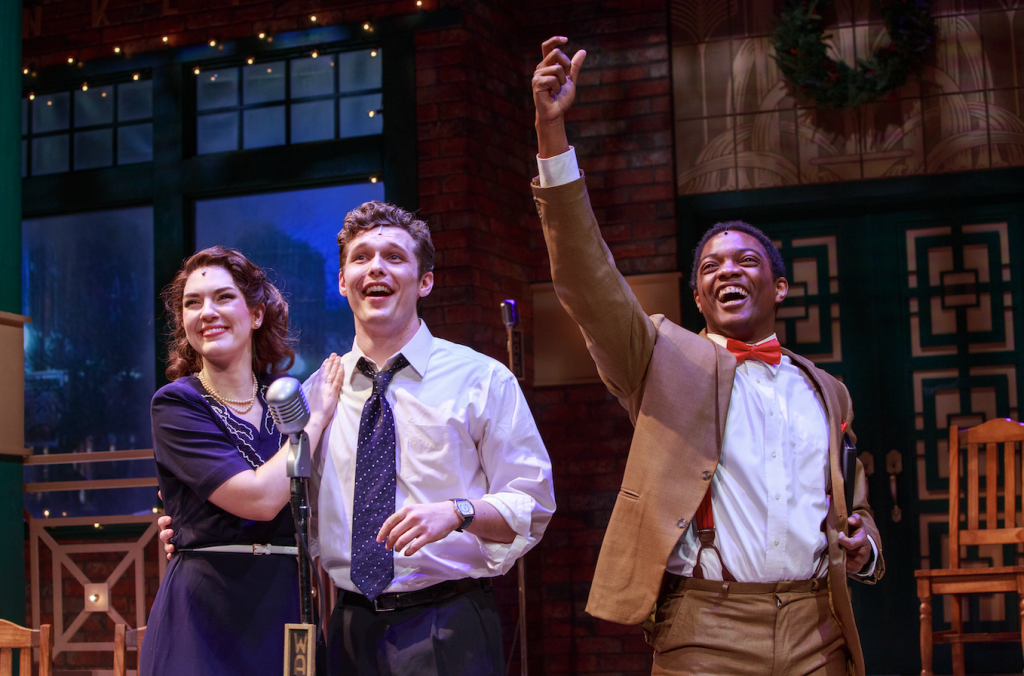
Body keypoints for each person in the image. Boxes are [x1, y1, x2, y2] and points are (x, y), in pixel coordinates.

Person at [530, 36, 883, 676]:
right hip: (706, 629)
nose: (728, 271)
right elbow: (587, 280)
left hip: (817, 625)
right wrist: (553, 137)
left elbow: (851, 502)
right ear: (698, 294)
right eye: (711, 266)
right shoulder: (664, 358)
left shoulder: (826, 391)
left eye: (746, 261)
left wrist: (865, 543)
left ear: (778, 287)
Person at [310, 200, 555, 675]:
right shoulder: (319, 391)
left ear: (425, 281)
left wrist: (458, 512)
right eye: (360, 257)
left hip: (448, 624)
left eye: (394, 257)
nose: (375, 267)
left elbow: (533, 504)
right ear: (343, 282)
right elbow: (288, 503)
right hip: (346, 629)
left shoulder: (482, 378)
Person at [142, 246, 343, 675]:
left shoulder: (286, 398)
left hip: (286, 601)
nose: (206, 312)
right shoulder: (177, 404)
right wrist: (317, 419)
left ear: (256, 314)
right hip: (206, 611)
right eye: (192, 304)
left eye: (223, 297)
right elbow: (258, 499)